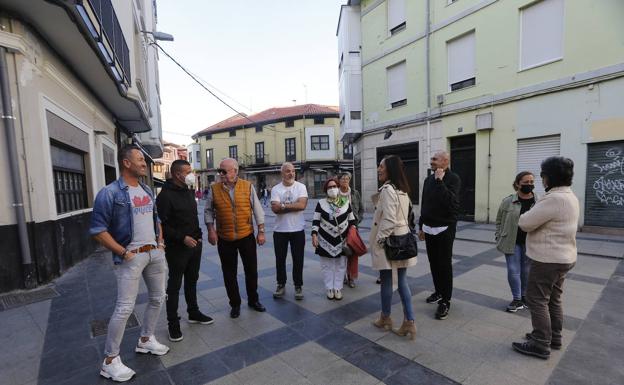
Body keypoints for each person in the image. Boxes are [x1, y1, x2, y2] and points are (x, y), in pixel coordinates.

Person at [90, 145, 169, 382]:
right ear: (126, 163)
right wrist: (123, 252)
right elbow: (98, 230)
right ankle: (110, 361)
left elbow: (156, 218)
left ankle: (145, 339)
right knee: (125, 307)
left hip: (154, 253)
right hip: (131, 257)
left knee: (158, 297)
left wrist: (160, 242)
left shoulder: (145, 188)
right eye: (140, 161)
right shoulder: (110, 193)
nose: (145, 164)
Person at [512, 157, 579, 360]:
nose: (540, 180)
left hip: (548, 259)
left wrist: (533, 209)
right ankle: (554, 337)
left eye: (541, 175)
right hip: (563, 257)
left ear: (548, 177)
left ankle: (541, 343)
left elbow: (525, 222)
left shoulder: (553, 198)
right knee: (554, 299)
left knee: (536, 299)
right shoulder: (570, 196)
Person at [156, 160, 213, 343]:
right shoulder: (165, 196)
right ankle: (173, 324)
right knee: (174, 286)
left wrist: (198, 237)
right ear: (177, 174)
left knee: (192, 280)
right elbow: (162, 225)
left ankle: (193, 312)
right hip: (177, 248)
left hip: (195, 244)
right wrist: (182, 238)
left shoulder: (188, 191)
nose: (191, 174)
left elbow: (191, 218)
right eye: (188, 171)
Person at [204, 158, 266, 318]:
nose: (221, 174)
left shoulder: (248, 186)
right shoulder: (214, 189)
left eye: (224, 171)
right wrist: (211, 229)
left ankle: (253, 300)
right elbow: (208, 211)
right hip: (225, 238)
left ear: (235, 171)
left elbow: (258, 210)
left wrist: (261, 231)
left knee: (251, 271)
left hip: (246, 235)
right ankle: (235, 304)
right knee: (229, 273)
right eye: (220, 171)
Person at [370, 155, 417, 340]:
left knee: (387, 281)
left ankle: (386, 318)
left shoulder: (388, 189)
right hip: (402, 241)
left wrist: (379, 241)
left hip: (390, 242)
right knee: (402, 282)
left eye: (381, 166)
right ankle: (409, 322)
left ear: (389, 168)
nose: (378, 169)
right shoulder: (402, 189)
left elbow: (389, 219)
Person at [418, 150, 461, 320]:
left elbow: (451, 202)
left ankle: (446, 300)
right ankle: (438, 291)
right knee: (433, 263)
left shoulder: (453, 179)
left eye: (435, 159)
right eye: (431, 159)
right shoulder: (428, 179)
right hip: (429, 227)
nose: (432, 161)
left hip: (445, 228)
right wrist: (421, 225)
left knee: (444, 265)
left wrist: (440, 181)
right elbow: (425, 203)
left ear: (445, 161)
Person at [495, 171, 537, 313]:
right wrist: (498, 236)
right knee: (513, 270)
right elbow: (499, 220)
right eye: (526, 182)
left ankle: (525, 297)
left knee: (526, 270)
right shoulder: (508, 201)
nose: (529, 185)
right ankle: (517, 298)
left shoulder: (538, 201)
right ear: (518, 183)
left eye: (531, 182)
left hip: (530, 241)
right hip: (511, 240)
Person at [312, 178, 357, 300]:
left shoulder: (345, 202)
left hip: (342, 240)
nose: (332, 189)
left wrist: (353, 231)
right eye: (329, 187)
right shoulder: (321, 203)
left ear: (338, 187)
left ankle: (337, 288)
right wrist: (314, 235)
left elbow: (352, 220)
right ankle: (329, 288)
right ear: (326, 190)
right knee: (327, 265)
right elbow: (316, 220)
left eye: (334, 186)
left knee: (341, 265)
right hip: (324, 239)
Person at [271, 162, 308, 300]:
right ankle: (281, 284)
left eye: (293, 171)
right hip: (280, 231)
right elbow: (274, 209)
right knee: (280, 259)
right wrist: (293, 205)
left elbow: (302, 205)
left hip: (298, 229)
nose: (291, 173)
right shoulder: (276, 189)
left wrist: (283, 205)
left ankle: (298, 286)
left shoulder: (301, 187)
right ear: (282, 173)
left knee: (298, 259)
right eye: (287, 171)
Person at [338, 172, 364, 288]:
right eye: (343, 179)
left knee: (352, 252)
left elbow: (361, 209)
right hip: (338, 228)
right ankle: (341, 275)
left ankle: (351, 277)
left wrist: (357, 221)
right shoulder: (335, 193)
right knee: (340, 252)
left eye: (347, 179)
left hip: (353, 227)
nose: (345, 181)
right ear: (339, 181)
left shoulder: (355, 193)